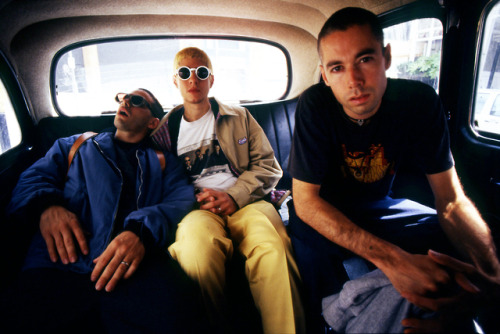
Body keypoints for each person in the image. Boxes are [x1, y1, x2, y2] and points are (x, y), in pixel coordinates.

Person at [287, 7, 500, 333]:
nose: (354, 81)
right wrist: (394, 261)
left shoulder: (419, 102)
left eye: (365, 59)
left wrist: (491, 276)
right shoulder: (315, 106)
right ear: (325, 75)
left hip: (382, 207)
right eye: (337, 68)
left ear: (386, 56)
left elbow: (451, 200)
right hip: (322, 212)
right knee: (316, 278)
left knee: (447, 248)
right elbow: (305, 201)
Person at [1, 89, 205, 333]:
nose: (126, 101)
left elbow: (180, 201)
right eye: (123, 97)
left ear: (152, 122)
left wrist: (139, 231)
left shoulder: (163, 162)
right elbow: (31, 178)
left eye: (137, 100)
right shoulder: (75, 145)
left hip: (132, 266)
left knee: (179, 316)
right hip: (57, 262)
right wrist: (47, 207)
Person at [152, 47, 304, 333]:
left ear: (212, 80)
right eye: (184, 73)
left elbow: (268, 166)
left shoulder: (239, 117)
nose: (193, 80)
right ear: (175, 81)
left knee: (273, 246)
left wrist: (236, 195)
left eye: (201, 73)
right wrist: (190, 204)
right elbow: (157, 186)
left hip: (248, 202)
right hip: (198, 211)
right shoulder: (163, 133)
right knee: (196, 251)